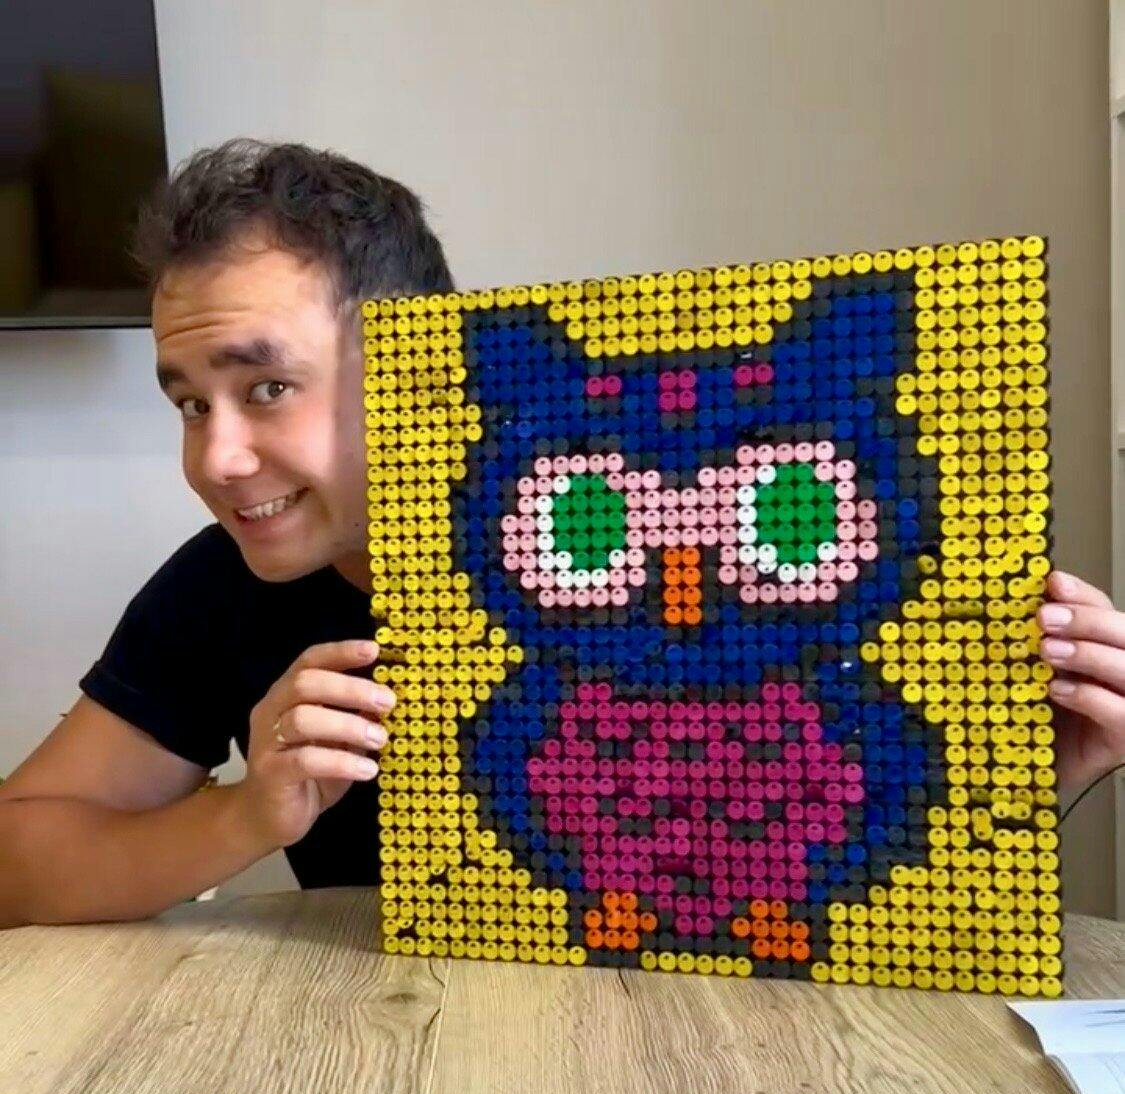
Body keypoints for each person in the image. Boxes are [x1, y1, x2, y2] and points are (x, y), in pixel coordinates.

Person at [0, 140, 1122, 927]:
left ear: (414, 364)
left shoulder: (660, 531)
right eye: (189, 404)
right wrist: (243, 818)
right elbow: (19, 855)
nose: (216, 459)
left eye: (267, 388)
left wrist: (1017, 778)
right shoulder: (226, 586)